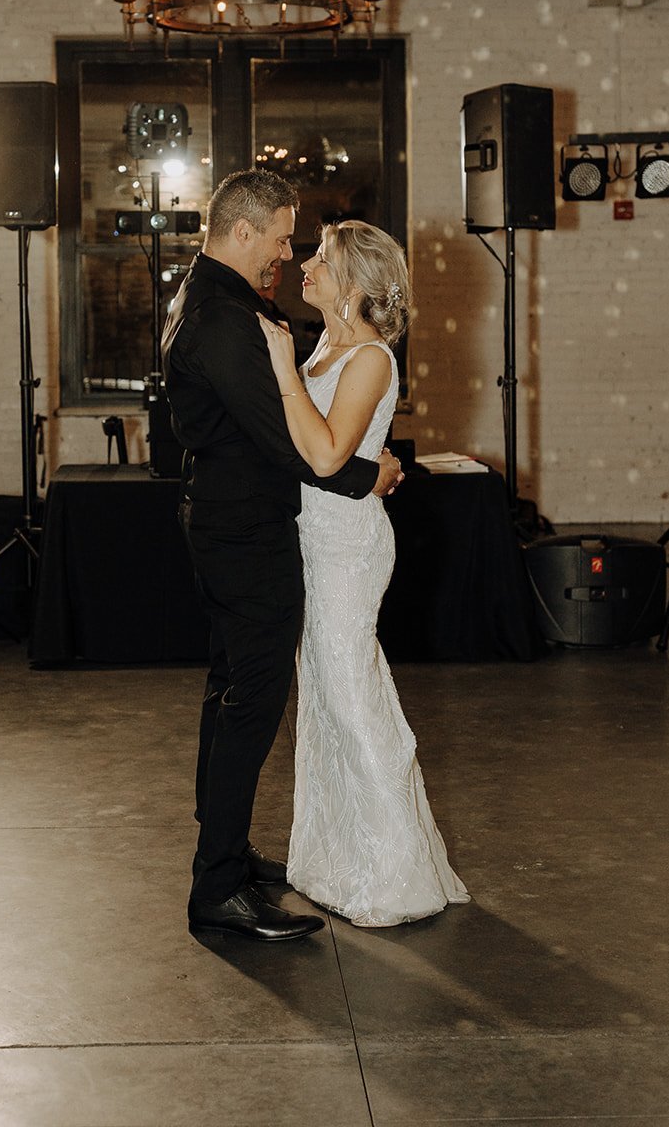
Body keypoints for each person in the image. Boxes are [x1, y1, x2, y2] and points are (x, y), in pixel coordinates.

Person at [161, 170, 402, 942]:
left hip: (236, 524)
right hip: (246, 532)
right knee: (251, 702)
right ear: (242, 232)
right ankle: (217, 887)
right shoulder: (226, 316)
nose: (286, 252)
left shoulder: (209, 300)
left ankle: (226, 855)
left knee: (231, 687)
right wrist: (377, 473)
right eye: (278, 236)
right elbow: (290, 442)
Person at [258, 220, 469, 927]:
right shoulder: (326, 345)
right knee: (321, 700)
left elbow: (323, 456)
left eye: (321, 258)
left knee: (351, 697)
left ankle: (394, 877)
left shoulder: (371, 359)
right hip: (309, 541)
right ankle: (334, 861)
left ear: (352, 285)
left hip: (345, 547)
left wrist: (282, 367)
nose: (306, 265)